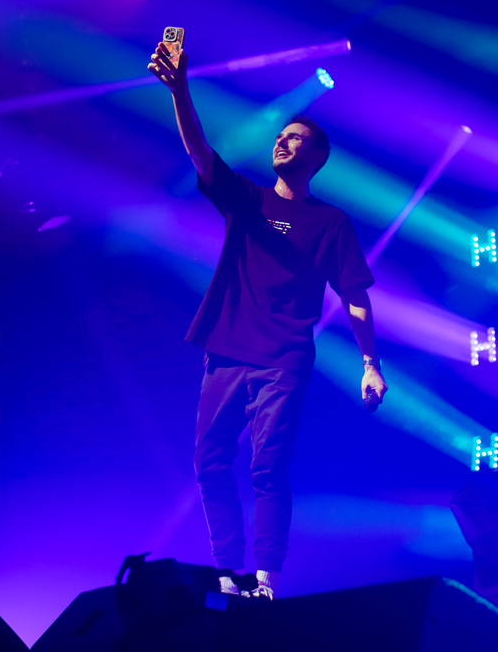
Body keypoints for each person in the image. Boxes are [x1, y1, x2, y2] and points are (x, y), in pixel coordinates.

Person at [148, 39, 388, 600]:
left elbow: (355, 295)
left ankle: (267, 581)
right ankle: (229, 574)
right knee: (209, 461)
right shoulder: (248, 201)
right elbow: (200, 155)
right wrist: (180, 88)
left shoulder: (330, 223)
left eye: (297, 138)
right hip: (227, 351)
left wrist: (370, 363)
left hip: (282, 360)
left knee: (267, 468)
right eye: (282, 135)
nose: (283, 140)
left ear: (316, 158)